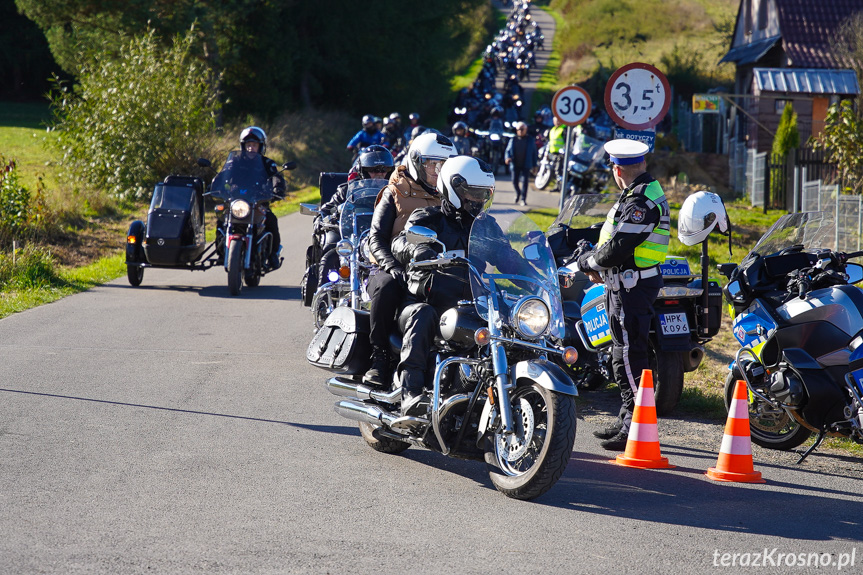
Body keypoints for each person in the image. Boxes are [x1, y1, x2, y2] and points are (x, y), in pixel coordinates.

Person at [574, 139, 670, 451]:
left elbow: (619, 246)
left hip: (632, 285)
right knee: (624, 352)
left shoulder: (641, 202)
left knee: (629, 355)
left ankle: (635, 424)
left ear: (617, 169)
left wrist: (587, 262)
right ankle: (628, 416)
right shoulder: (639, 193)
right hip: (626, 283)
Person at [390, 155, 495, 416]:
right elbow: (400, 243)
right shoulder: (428, 217)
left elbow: (508, 255)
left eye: (484, 194)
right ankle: (411, 393)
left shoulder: (485, 226)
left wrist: (538, 268)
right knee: (422, 315)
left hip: (470, 305)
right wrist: (417, 249)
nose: (479, 200)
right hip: (427, 302)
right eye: (473, 193)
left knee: (505, 325)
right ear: (454, 188)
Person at [361, 132, 456, 386]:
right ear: (416, 162)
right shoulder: (394, 192)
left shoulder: (452, 197)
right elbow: (376, 239)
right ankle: (378, 358)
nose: (438, 171)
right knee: (388, 286)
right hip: (392, 265)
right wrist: (392, 266)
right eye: (431, 164)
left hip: (434, 269)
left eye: (444, 165)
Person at [315, 145, 395, 288]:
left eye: (384, 170)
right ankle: (322, 299)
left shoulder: (396, 192)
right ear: (363, 171)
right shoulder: (346, 190)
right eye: (373, 170)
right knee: (331, 254)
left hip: (385, 237)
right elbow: (327, 208)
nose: (379, 174)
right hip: (354, 237)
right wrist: (322, 217)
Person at [224, 126, 286, 269]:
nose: (251, 148)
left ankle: (273, 255)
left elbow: (276, 177)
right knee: (221, 219)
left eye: (255, 145)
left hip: (259, 202)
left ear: (261, 147)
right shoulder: (234, 161)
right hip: (236, 202)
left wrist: (278, 188)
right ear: (243, 146)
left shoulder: (267, 163)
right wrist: (215, 185)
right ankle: (222, 251)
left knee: (271, 220)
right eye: (248, 145)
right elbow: (224, 175)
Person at [504, 121, 538, 206]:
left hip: (526, 164)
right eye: (518, 129)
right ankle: (518, 193)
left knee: (525, 182)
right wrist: (507, 158)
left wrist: (534, 166)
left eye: (522, 129)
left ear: (526, 129)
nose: (520, 131)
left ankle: (523, 199)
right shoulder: (513, 139)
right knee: (514, 181)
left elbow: (534, 153)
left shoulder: (530, 140)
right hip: (515, 164)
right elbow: (507, 151)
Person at [547, 116, 566, 191]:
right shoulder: (553, 129)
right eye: (556, 120)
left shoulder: (564, 129)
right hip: (553, 153)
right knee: (555, 170)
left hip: (560, 154)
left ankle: (559, 187)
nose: (557, 122)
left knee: (559, 171)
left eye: (559, 120)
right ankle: (557, 185)